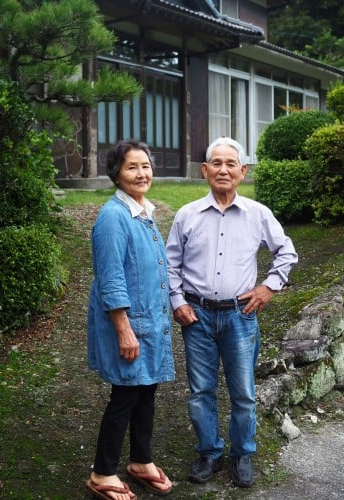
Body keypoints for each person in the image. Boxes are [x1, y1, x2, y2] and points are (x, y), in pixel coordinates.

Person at [166, 137, 298, 488]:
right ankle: (209, 451)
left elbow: (286, 252)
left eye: (231, 164)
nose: (223, 169)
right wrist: (177, 301)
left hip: (241, 315)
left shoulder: (258, 214)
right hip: (196, 315)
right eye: (216, 163)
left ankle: (242, 454)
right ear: (205, 171)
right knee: (201, 391)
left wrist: (269, 286)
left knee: (243, 391)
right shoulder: (187, 215)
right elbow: (170, 265)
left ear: (242, 172)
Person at [86, 140, 174, 500]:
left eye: (146, 166)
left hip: (150, 322)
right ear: (116, 175)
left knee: (146, 392)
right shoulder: (113, 217)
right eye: (132, 167)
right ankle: (102, 472)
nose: (142, 173)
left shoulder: (143, 211)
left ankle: (141, 460)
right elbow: (111, 279)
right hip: (130, 325)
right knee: (124, 396)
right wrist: (124, 331)